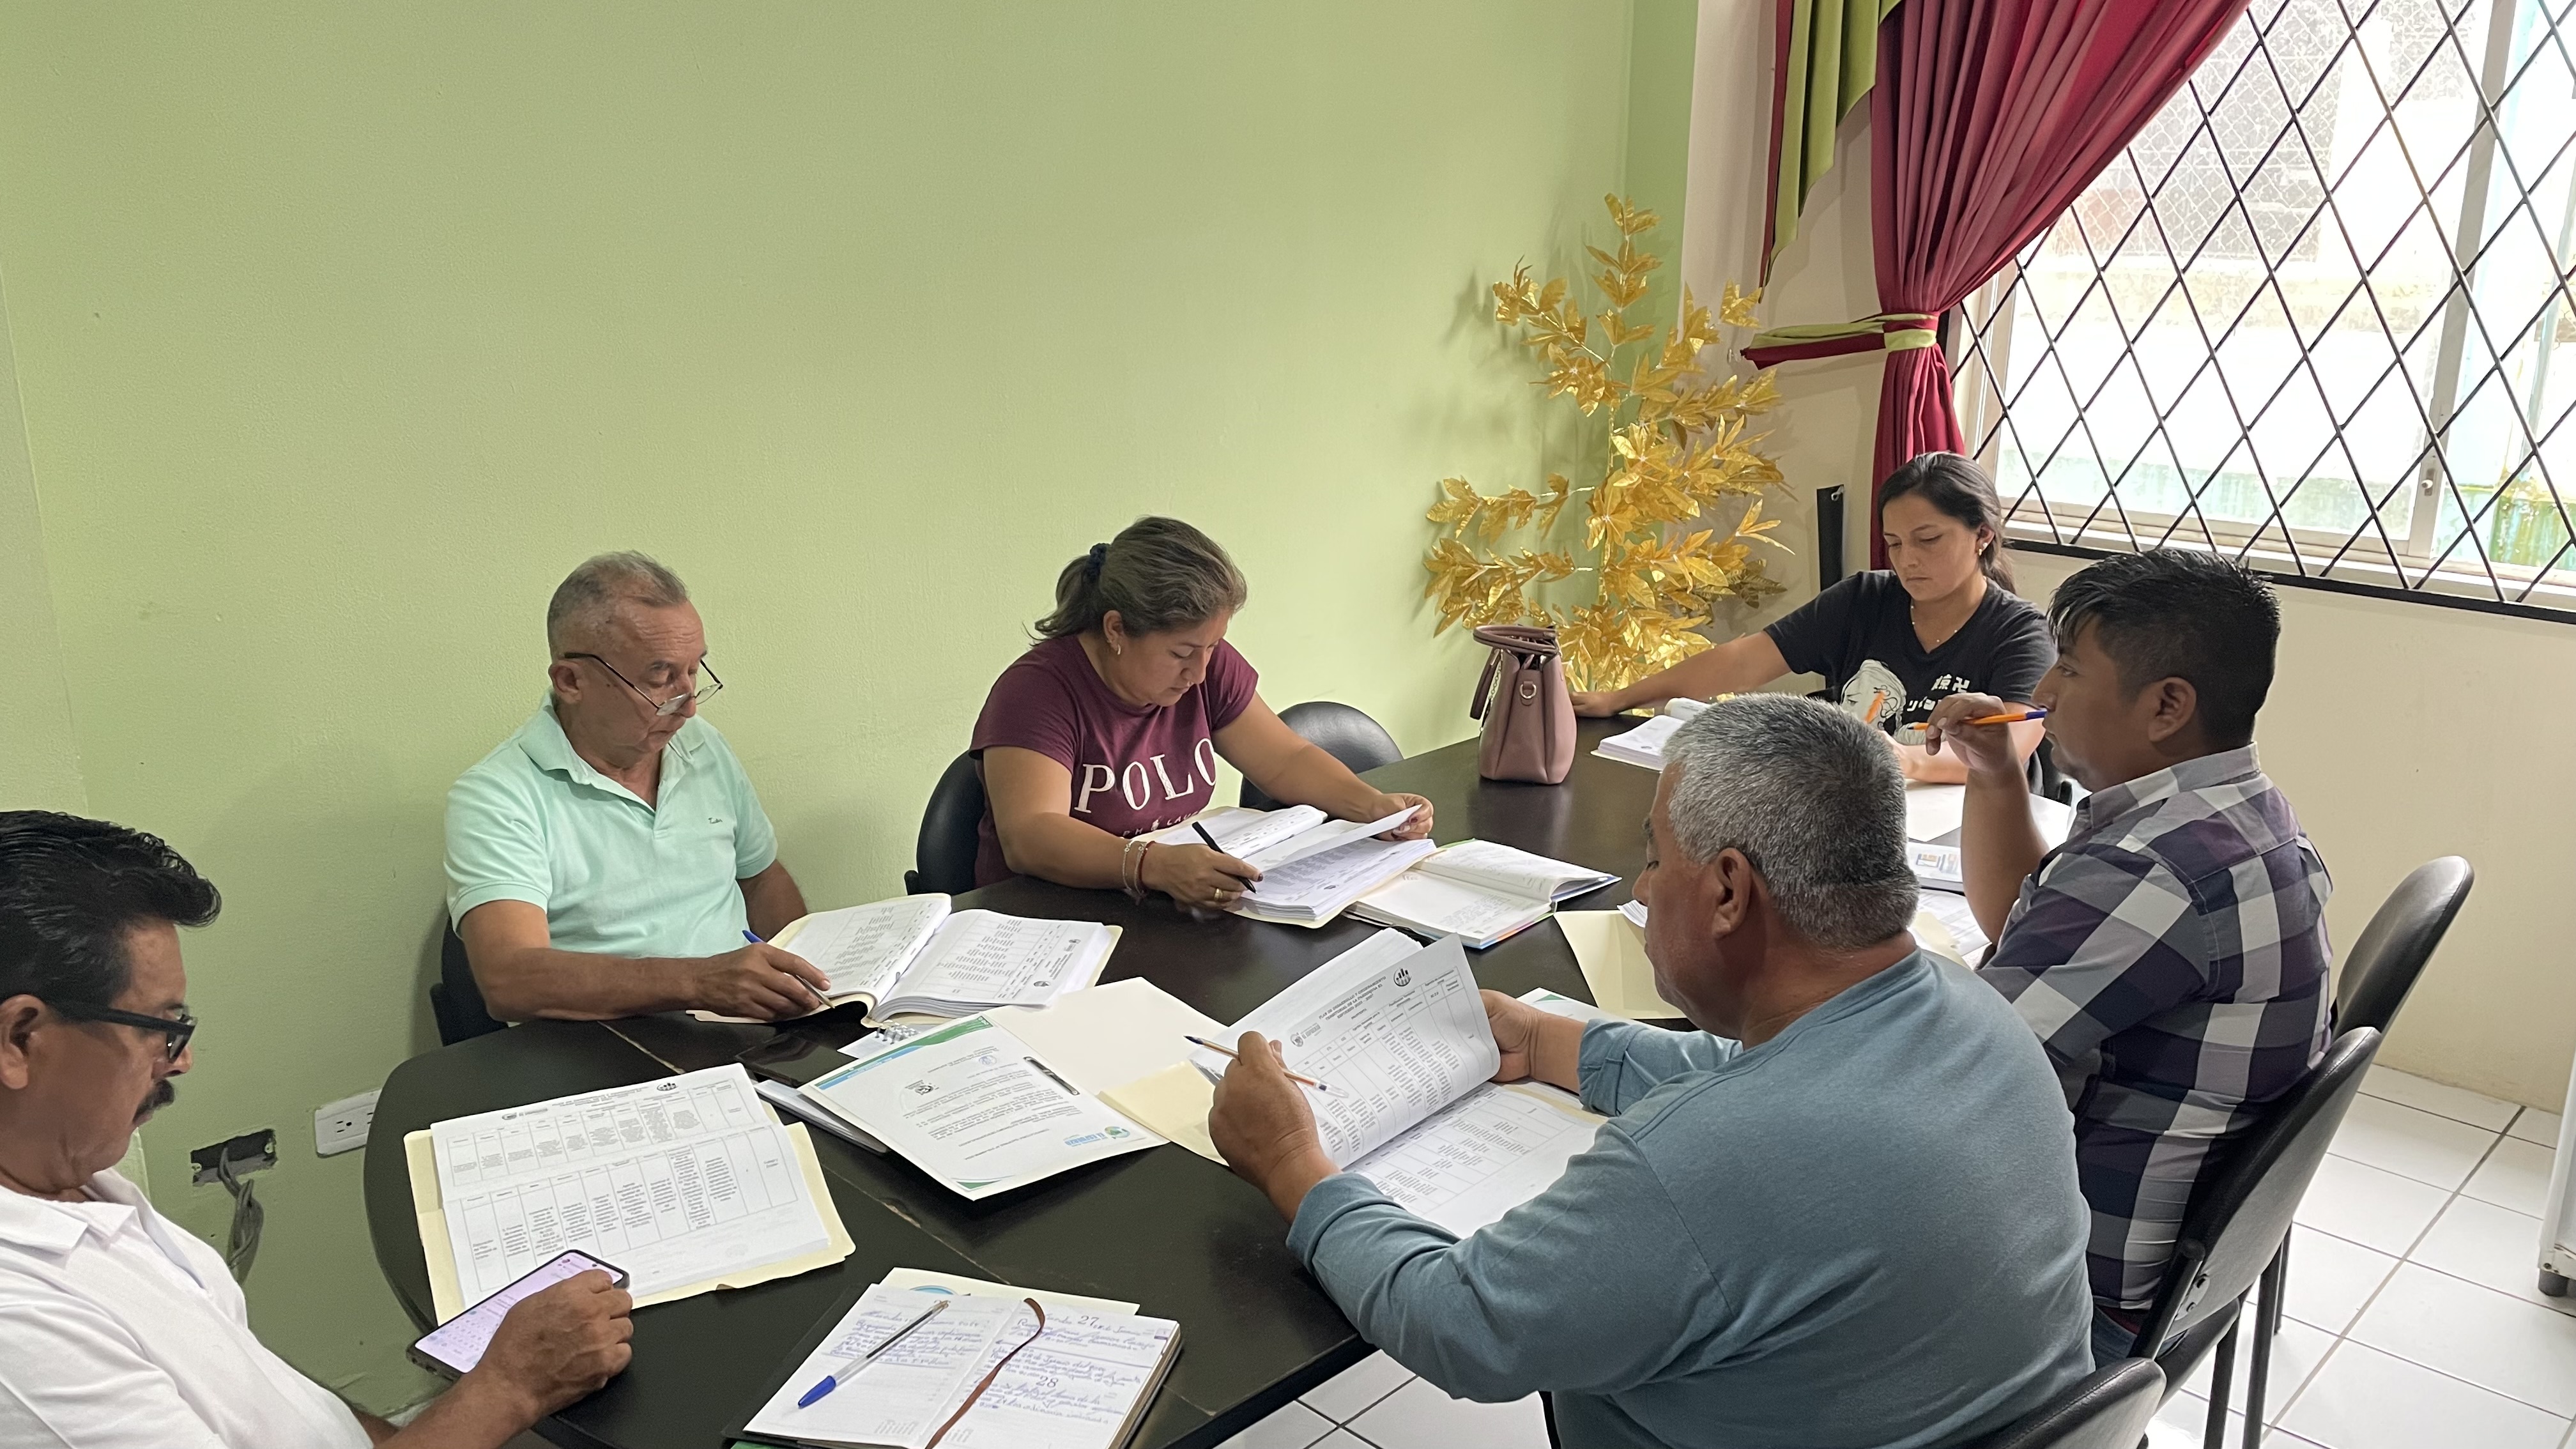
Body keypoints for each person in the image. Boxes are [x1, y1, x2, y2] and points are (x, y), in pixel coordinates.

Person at [1205, 695, 2094, 1448]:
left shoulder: (1703, 1161)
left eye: (1655, 859)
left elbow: (1463, 1326)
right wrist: (1557, 1043)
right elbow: (1762, 1071)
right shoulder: (1971, 1008)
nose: (1640, 888)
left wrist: (1291, 1161)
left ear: (1729, 891)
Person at [0, 811, 635, 1448]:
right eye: (159, 1029)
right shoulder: (25, 1341)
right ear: (20, 1039)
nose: (182, 1059)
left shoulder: (67, 1174)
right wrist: (512, 1387)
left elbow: (256, 1389)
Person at [1921, 549, 2331, 1366]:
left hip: (2082, 1298)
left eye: (2069, 670)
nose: (2042, 693)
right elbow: (2019, 924)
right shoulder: (2233, 810)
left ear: (2167, 706)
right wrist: (1997, 776)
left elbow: (1945, 1076)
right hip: (2176, 1273)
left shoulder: (2155, 869)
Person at [445, 552, 831, 1022]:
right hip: (610, 1044)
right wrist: (700, 983)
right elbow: (512, 980)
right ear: (571, 681)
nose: (688, 706)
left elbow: (761, 877)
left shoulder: (699, 745)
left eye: (694, 671)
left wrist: (812, 985)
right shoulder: (498, 794)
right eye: (661, 677)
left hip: (742, 1025)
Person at [972, 517, 1434, 908]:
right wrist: (1152, 865)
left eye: (1213, 646)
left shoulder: (1205, 664)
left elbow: (1284, 759)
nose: (1199, 672)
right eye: (1181, 653)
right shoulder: (1037, 692)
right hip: (1047, 917)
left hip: (1160, 909)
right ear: (1116, 630)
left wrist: (1372, 807)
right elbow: (1031, 834)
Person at [1572, 452, 2051, 783]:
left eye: (1928, 540)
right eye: (1895, 543)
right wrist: (1619, 698)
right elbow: (1743, 662)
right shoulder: (1865, 598)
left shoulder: (2019, 633)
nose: (1908, 560)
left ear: (1982, 535)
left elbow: (2010, 744)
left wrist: (1907, 761)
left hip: (1957, 828)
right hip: (1853, 804)